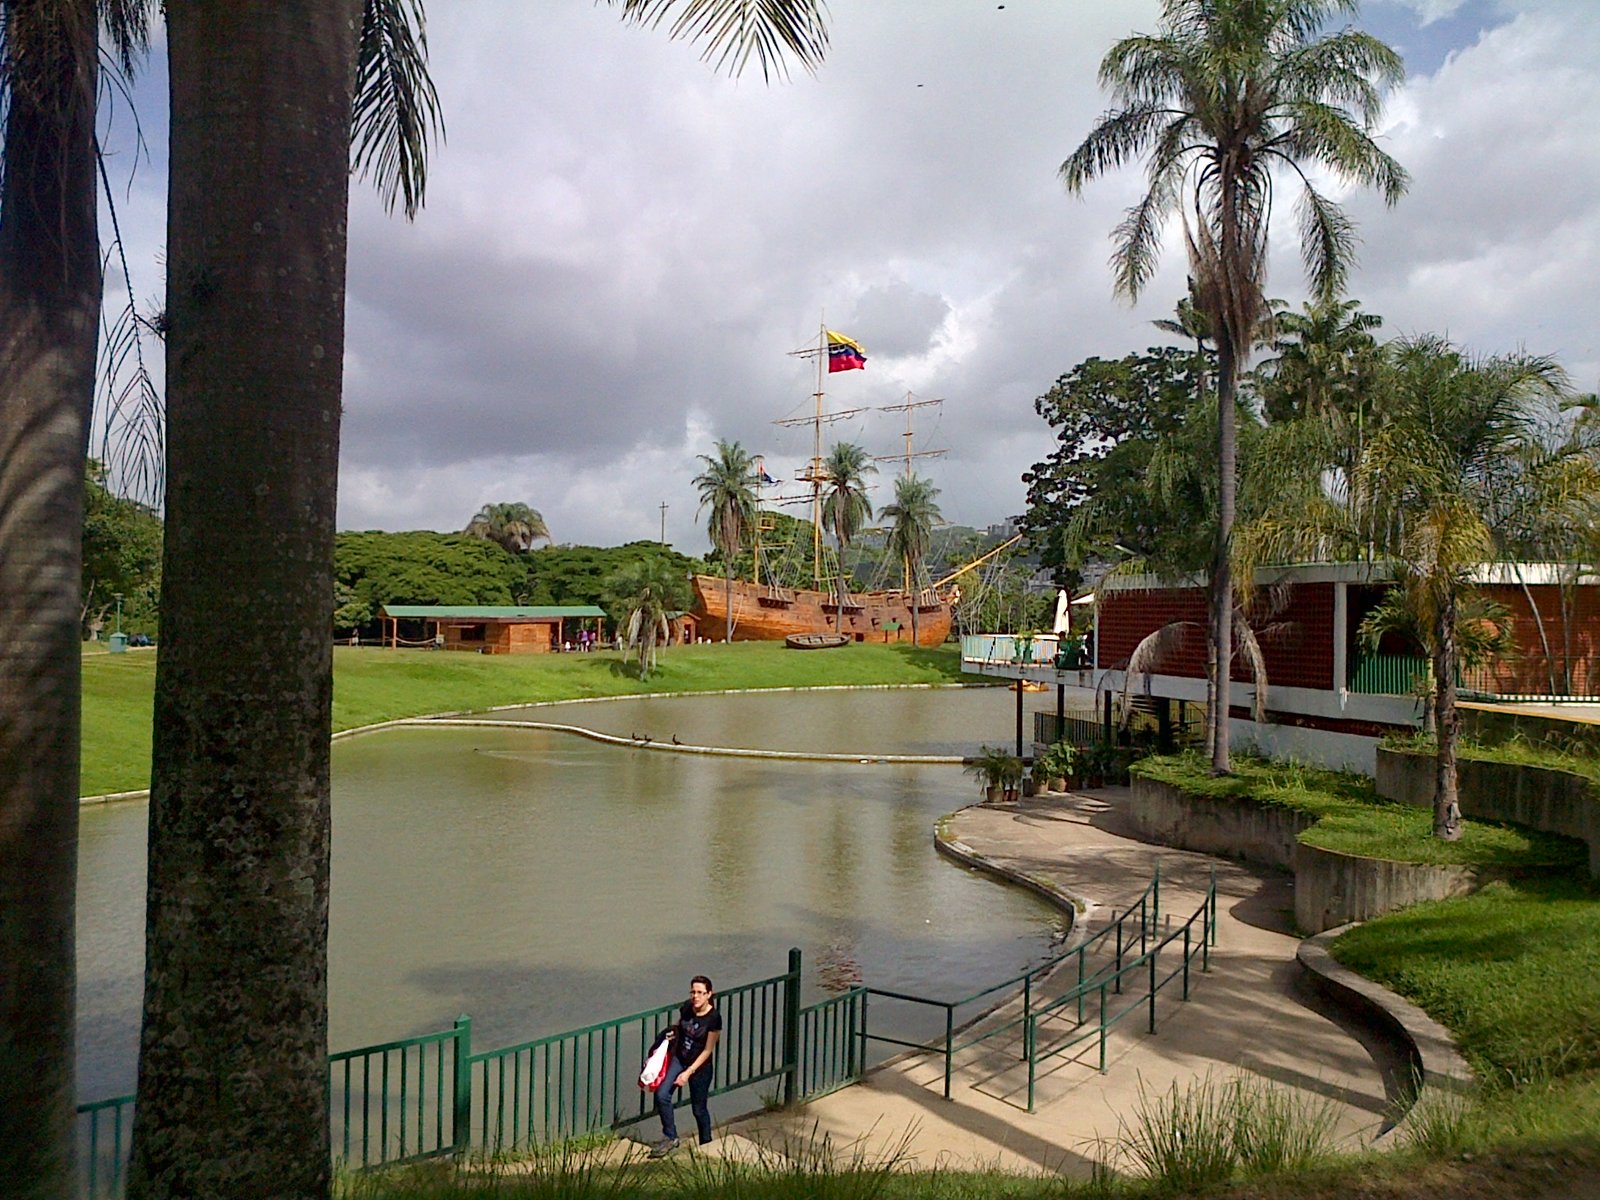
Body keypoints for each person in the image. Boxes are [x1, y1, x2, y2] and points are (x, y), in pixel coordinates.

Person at [649, 975, 721, 1157]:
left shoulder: (713, 1018)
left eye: (700, 993)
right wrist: (671, 1034)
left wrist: (688, 1073)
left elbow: (708, 1050)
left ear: (709, 994)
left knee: (699, 1109)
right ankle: (670, 1136)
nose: (696, 996)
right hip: (680, 1058)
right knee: (662, 1094)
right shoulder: (687, 1008)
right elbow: (680, 1026)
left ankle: (706, 1144)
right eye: (693, 992)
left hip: (700, 1067)